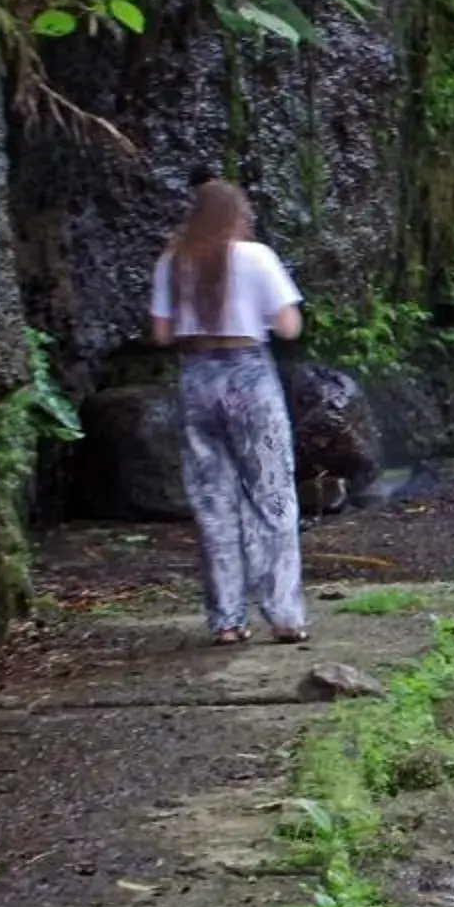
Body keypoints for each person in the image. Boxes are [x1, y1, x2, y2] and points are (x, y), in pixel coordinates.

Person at [147, 177, 306, 646]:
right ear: (238, 217)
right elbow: (289, 326)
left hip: (197, 376)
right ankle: (283, 616)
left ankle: (228, 622)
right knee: (272, 494)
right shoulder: (257, 257)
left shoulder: (173, 261)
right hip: (248, 374)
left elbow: (160, 335)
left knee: (213, 503)